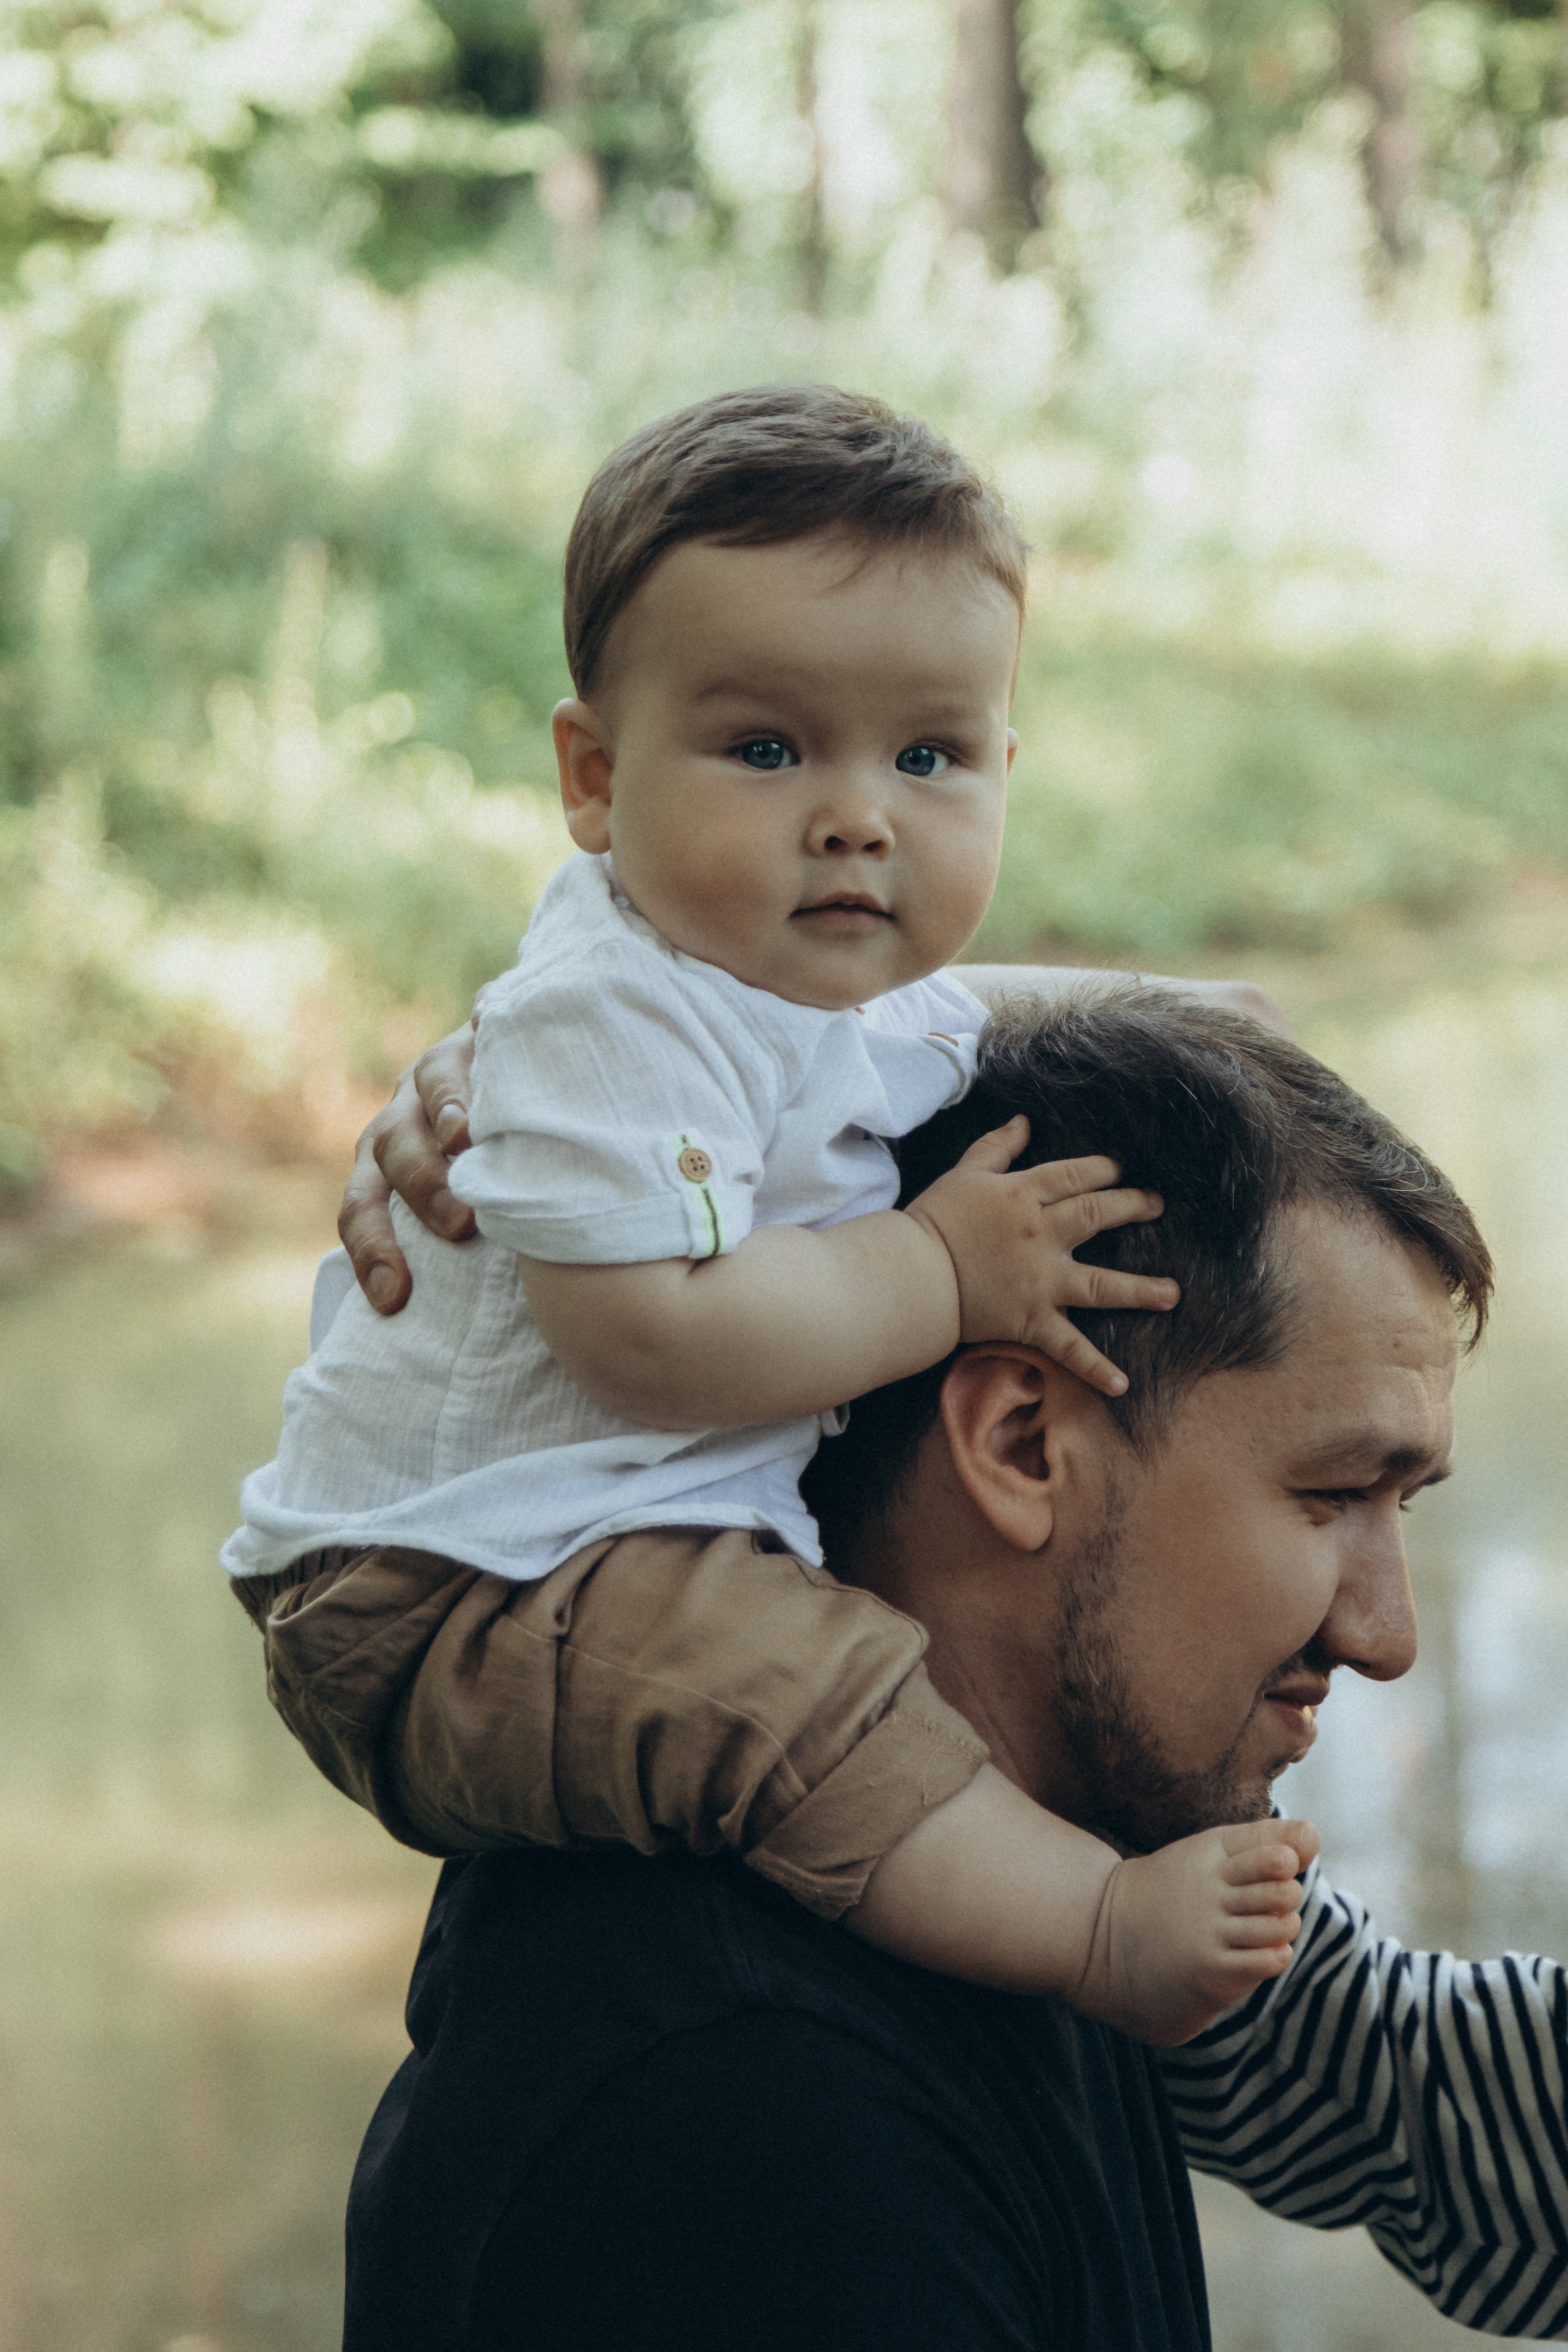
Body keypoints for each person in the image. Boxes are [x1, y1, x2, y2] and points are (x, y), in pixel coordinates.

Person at [224, 383, 1314, 2044]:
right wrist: (940, 1270)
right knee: (795, 1687)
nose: (858, 814)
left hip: (580, 1558)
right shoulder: (612, 1013)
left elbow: (986, 1012)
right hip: (448, 1592)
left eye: (930, 756)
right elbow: (650, 1338)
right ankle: (1090, 1926)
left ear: (1006, 764)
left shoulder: (809, 975)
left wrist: (1208, 1026)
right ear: (593, 779)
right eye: (766, 749)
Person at [336, 989, 1568, 2351]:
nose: (1387, 1639)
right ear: (1021, 1441)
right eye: (1333, 1490)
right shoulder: (747, 2114)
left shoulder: (1088, 1876)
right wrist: (596, 1091)